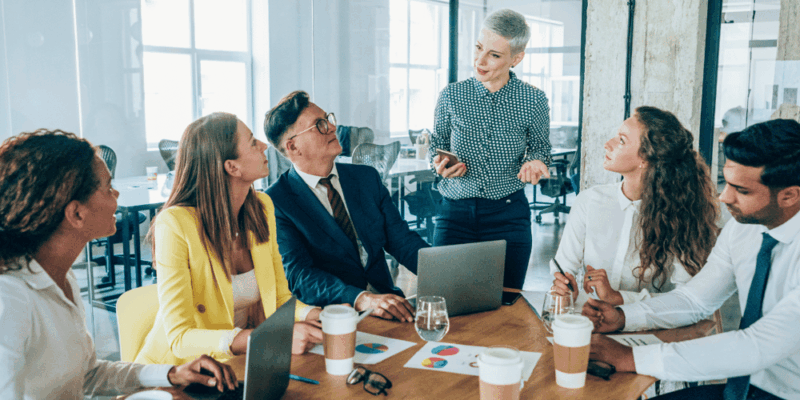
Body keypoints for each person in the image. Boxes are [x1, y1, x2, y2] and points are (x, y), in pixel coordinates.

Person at [0, 130, 237, 399]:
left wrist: (171, 374)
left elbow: (88, 375)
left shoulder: (62, 279)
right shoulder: (10, 298)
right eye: (107, 187)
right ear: (76, 213)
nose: (116, 192)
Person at [586, 119, 800, 400]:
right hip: (745, 389)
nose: (724, 197)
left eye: (742, 190)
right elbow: (696, 300)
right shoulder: (743, 229)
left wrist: (631, 358)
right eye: (727, 183)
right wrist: (624, 317)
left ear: (789, 195)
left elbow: (756, 346)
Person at [136, 112, 323, 366]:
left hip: (237, 364)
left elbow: (279, 298)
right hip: (177, 371)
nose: (264, 146)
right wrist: (266, 338)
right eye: (253, 142)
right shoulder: (174, 224)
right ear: (232, 167)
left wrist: (318, 315)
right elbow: (180, 337)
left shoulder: (262, 207)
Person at [265, 91, 430, 322]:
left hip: (389, 307)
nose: (333, 128)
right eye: (319, 125)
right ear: (293, 147)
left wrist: (442, 271)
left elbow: (402, 241)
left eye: (328, 119)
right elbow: (300, 276)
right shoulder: (276, 202)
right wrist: (362, 299)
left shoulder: (366, 178)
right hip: (333, 318)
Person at [430, 9, 552, 289]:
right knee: (445, 299)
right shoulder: (452, 95)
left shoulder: (533, 100)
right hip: (454, 215)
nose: (480, 61)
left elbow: (541, 149)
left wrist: (535, 162)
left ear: (516, 59)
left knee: (507, 303)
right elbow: (437, 145)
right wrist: (438, 164)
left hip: (508, 217)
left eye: (494, 55)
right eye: (478, 48)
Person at [551, 106, 719, 307]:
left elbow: (688, 299)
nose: (607, 144)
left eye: (621, 140)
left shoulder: (682, 214)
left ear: (646, 158)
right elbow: (563, 268)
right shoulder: (588, 201)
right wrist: (564, 288)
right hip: (588, 318)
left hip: (650, 323)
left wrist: (618, 298)